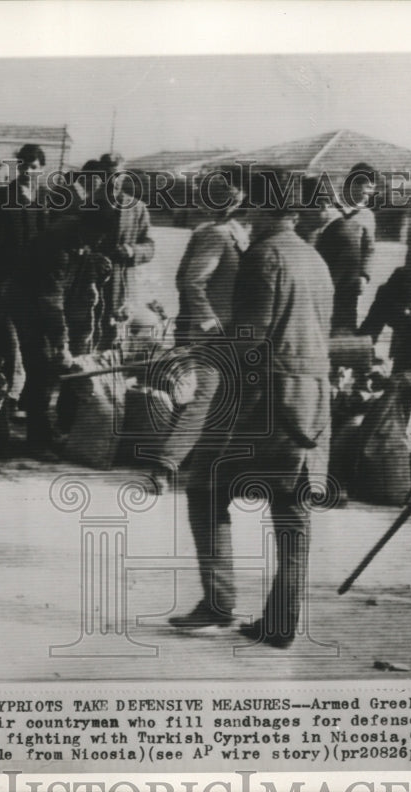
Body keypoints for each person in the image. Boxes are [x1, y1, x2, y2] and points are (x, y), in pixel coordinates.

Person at [171, 180, 334, 649]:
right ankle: (281, 622)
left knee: (204, 487)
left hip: (266, 404)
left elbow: (250, 341)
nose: (245, 214)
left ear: (263, 208)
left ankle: (219, 604)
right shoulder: (314, 258)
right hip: (311, 404)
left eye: (250, 205)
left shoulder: (263, 256)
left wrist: (208, 348)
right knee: (292, 511)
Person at [154, 183, 252, 490]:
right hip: (214, 333)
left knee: (217, 398)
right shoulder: (216, 234)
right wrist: (210, 325)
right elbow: (193, 282)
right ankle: (165, 466)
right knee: (205, 398)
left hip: (235, 331)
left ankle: (195, 463)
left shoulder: (238, 234)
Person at [0, 144, 61, 456]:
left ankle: (38, 436)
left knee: (39, 363)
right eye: (24, 165)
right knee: (9, 360)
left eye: (34, 165)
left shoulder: (48, 199)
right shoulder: (4, 199)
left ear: (42, 167)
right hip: (9, 290)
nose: (29, 170)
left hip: (39, 291)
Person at [86, 153, 156, 350]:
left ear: (124, 176)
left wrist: (132, 251)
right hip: (91, 284)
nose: (113, 181)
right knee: (88, 336)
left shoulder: (137, 208)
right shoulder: (87, 205)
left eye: (117, 175)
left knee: (117, 340)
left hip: (122, 286)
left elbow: (150, 246)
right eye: (107, 175)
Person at [314, 162, 377, 334]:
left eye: (371, 192)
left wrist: (364, 276)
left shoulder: (367, 216)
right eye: (366, 191)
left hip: (349, 282)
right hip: (322, 276)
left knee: (344, 324)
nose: (368, 197)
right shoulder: (326, 207)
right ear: (352, 184)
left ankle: (340, 357)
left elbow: (369, 249)